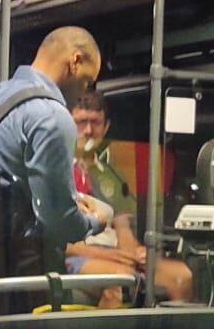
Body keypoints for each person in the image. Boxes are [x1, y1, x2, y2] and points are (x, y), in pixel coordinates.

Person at [0, 25, 114, 279]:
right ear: (75, 61)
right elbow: (58, 221)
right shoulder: (52, 115)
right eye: (86, 82)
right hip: (19, 273)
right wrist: (98, 220)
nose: (82, 93)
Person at [63, 90, 195, 305]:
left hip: (113, 252)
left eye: (95, 123)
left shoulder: (112, 176)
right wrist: (109, 255)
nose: (88, 131)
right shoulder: (58, 171)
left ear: (106, 127)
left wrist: (135, 252)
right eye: (81, 122)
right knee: (123, 280)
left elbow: (123, 228)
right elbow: (55, 244)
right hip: (75, 256)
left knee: (183, 276)